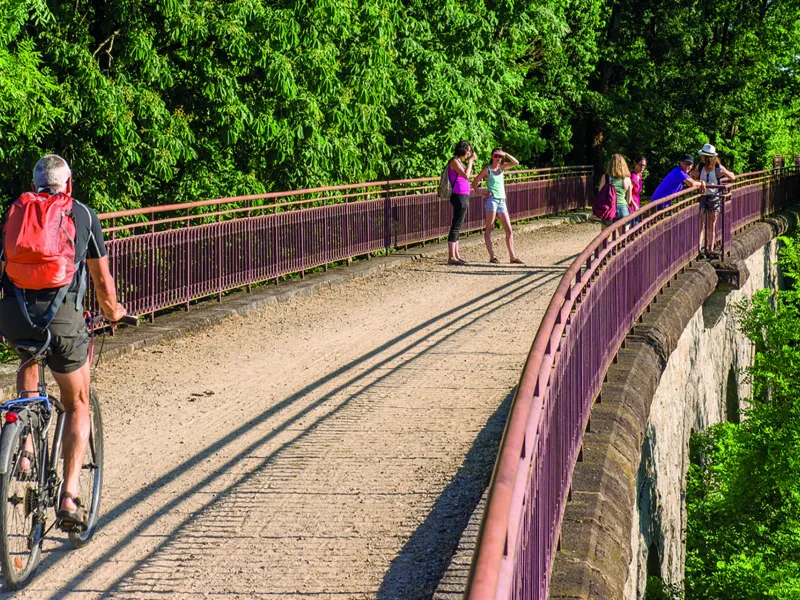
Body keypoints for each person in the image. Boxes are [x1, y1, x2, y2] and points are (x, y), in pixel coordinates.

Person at [0, 154, 127, 531]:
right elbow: (102, 283)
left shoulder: (14, 213)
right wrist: (114, 311)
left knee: (29, 356)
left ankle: (22, 449)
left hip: (14, 314)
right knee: (77, 403)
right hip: (63, 319)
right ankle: (69, 497)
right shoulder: (82, 214)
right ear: (67, 184)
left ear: (35, 182)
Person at [471, 149, 523, 264]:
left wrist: (506, 154)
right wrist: (482, 195)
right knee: (489, 228)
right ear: (492, 156)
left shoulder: (502, 168)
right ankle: (492, 256)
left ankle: (513, 257)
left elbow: (516, 163)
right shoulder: (487, 169)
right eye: (496, 156)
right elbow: (474, 183)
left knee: (509, 229)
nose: (498, 158)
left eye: (499, 156)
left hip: (501, 200)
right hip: (492, 200)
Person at [694, 144, 735, 259]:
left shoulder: (718, 167)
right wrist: (694, 175)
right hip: (703, 196)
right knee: (701, 223)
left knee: (711, 224)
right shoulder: (701, 166)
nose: (701, 157)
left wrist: (724, 173)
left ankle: (709, 249)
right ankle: (699, 249)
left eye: (703, 155)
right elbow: (692, 175)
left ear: (708, 157)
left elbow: (733, 177)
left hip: (714, 196)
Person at [446, 141, 475, 265]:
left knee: (458, 225)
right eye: (468, 150)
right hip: (458, 196)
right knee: (456, 225)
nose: (469, 153)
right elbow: (466, 175)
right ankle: (451, 257)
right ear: (463, 150)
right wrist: (471, 161)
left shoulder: (459, 161)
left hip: (463, 195)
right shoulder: (454, 161)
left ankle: (456, 255)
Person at [597, 154, 633, 226]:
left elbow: (600, 194)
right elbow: (629, 200)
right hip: (623, 208)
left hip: (608, 208)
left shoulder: (605, 177)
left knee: (605, 236)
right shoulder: (627, 179)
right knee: (623, 236)